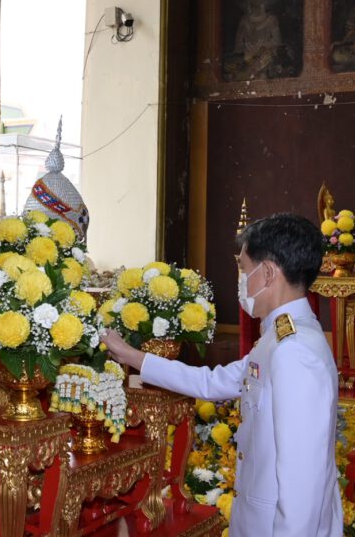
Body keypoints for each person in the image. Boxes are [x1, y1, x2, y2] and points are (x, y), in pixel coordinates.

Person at [101, 214, 342, 536]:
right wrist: (134, 357)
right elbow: (214, 382)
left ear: (268, 273)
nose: (242, 281)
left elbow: (302, 481)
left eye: (244, 269)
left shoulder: (294, 351)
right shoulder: (280, 337)